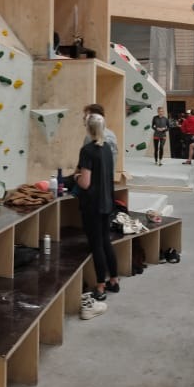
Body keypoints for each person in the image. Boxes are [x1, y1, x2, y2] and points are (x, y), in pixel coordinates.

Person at [75, 113, 118, 314]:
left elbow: (85, 183)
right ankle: (114, 280)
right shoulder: (107, 148)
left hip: (92, 204)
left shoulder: (87, 151)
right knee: (106, 241)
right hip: (107, 202)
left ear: (88, 128)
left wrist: (76, 176)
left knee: (96, 245)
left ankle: (100, 285)